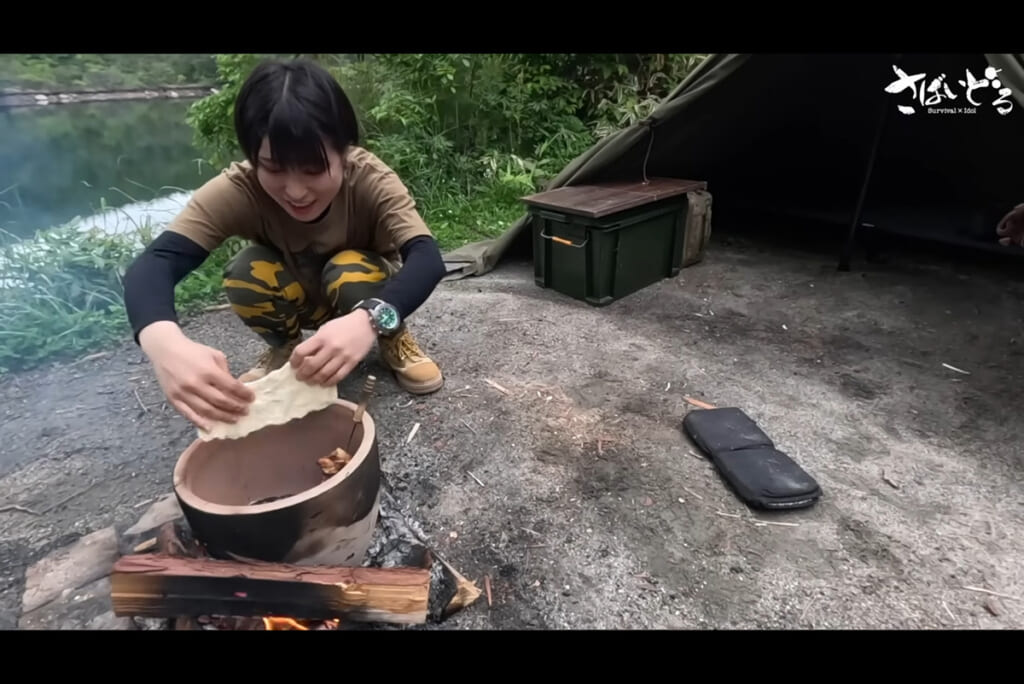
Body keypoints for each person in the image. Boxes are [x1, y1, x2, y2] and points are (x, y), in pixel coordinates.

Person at [122, 58, 448, 432]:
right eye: (274, 169)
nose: (295, 191)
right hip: (299, 298)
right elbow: (157, 261)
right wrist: (164, 344)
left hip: (365, 300)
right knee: (246, 270)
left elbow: (427, 257)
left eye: (313, 169)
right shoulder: (240, 188)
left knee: (350, 266)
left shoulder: (370, 178)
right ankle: (288, 350)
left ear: (344, 152)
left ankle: (392, 338)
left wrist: (369, 319)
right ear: (252, 158)